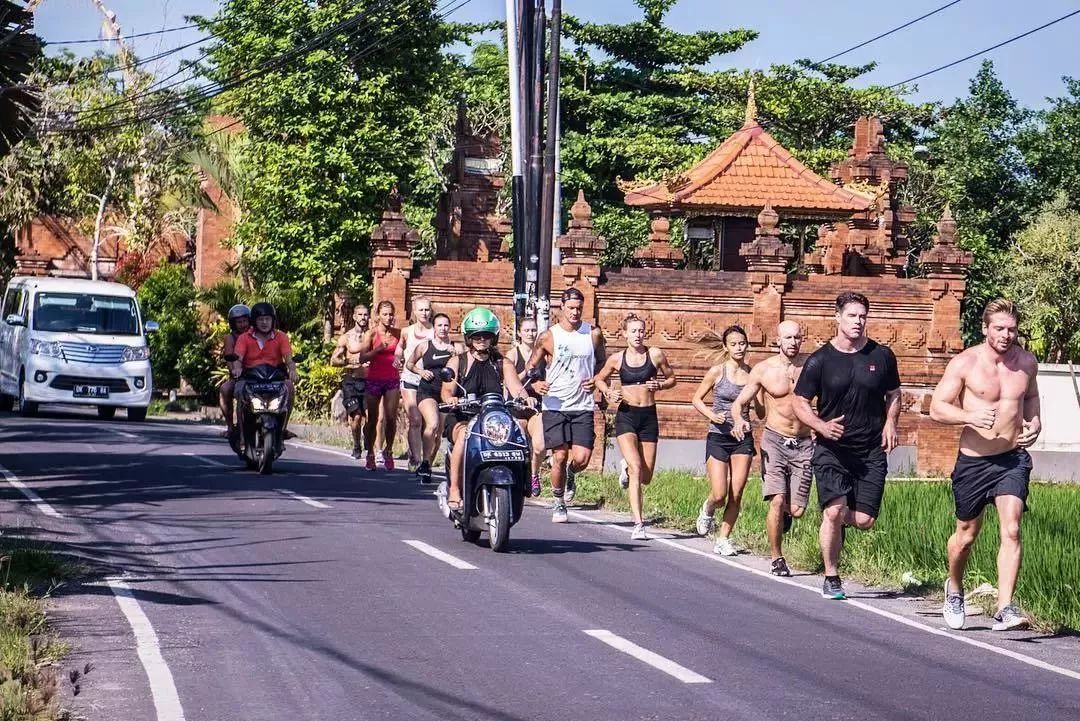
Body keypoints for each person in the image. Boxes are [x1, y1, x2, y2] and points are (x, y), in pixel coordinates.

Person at [930, 299, 1040, 631]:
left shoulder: (1026, 363)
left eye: (1012, 329)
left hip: (1011, 460)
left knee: (1012, 528)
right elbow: (936, 407)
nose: (1006, 335)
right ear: (985, 329)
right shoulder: (965, 363)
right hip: (974, 463)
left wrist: (1035, 424)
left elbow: (1031, 397)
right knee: (966, 535)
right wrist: (969, 415)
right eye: (999, 329)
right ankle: (954, 586)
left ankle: (1005, 606)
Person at [793, 291, 901, 601]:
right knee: (834, 511)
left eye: (863, 316)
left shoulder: (881, 356)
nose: (858, 321)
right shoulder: (820, 360)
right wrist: (819, 425)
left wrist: (890, 422)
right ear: (837, 317)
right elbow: (800, 401)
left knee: (865, 520)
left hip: (869, 450)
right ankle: (831, 576)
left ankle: (833, 519)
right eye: (852, 315)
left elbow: (894, 393)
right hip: (832, 448)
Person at [730, 320, 812, 577]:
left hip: (804, 443)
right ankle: (777, 557)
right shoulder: (764, 370)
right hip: (774, 441)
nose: (793, 342)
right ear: (778, 340)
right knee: (776, 500)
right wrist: (739, 419)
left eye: (797, 337)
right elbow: (739, 402)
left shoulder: (812, 367)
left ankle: (786, 512)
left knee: (796, 510)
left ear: (802, 339)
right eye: (787, 338)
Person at [440, 308, 533, 511]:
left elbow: (516, 387)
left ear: (494, 337)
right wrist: (452, 399)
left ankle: (527, 482)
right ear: (468, 338)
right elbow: (446, 390)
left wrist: (526, 399)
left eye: (487, 336)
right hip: (464, 417)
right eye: (477, 336)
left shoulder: (502, 363)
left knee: (521, 434)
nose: (482, 340)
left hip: (493, 419)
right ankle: (455, 488)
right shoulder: (458, 362)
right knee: (464, 436)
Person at [593, 314, 676, 540]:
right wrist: (609, 392)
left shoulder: (655, 354)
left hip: (649, 415)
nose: (638, 335)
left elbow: (672, 379)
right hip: (626, 415)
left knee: (646, 476)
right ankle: (639, 523)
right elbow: (599, 379)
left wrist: (660, 384)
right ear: (625, 334)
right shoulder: (617, 359)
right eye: (633, 331)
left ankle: (626, 468)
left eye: (641, 331)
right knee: (637, 467)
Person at [527, 287, 606, 523]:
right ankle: (559, 502)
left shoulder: (593, 334)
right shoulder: (548, 336)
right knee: (559, 455)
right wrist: (537, 384)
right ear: (561, 307)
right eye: (571, 308)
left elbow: (603, 362)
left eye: (579, 308)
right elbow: (531, 367)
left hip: (582, 405)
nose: (575, 312)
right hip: (555, 404)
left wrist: (597, 379)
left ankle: (571, 474)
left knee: (581, 458)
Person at [692, 326, 760, 556]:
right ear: (726, 347)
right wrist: (712, 415)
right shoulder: (717, 372)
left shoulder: (753, 375)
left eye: (742, 343)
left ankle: (723, 538)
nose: (739, 348)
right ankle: (708, 508)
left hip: (743, 439)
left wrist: (758, 403)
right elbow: (696, 399)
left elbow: (760, 410)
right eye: (734, 344)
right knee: (719, 494)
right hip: (719, 436)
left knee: (737, 492)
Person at [229, 302, 299, 436]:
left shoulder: (281, 337)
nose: (264, 323)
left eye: (267, 319)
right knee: (240, 391)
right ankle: (240, 432)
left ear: (273, 320)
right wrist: (237, 369)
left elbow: (288, 359)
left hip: (275, 378)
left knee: (289, 387)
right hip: (250, 378)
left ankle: (283, 428)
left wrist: (293, 370)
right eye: (260, 319)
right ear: (254, 321)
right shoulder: (244, 338)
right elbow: (238, 358)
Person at [406, 312, 458, 484]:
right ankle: (425, 463)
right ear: (434, 328)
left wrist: (456, 355)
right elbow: (409, 364)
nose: (443, 329)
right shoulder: (425, 346)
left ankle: (427, 463)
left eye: (445, 325)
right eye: (439, 325)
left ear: (450, 327)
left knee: (439, 434)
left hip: (447, 394)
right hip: (427, 391)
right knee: (432, 424)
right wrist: (421, 371)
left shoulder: (457, 348)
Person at [358, 301, 402, 471]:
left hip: (391, 379)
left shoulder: (398, 334)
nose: (388, 317)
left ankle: (388, 451)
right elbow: (362, 358)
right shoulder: (371, 334)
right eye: (385, 314)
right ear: (378, 316)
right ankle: (370, 453)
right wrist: (377, 350)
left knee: (391, 417)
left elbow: (403, 351)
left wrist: (400, 359)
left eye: (391, 314)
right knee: (373, 419)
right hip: (374, 379)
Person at [506, 316, 546, 497]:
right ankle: (512, 476)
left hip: (536, 406)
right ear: (519, 333)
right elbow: (508, 381)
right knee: (516, 445)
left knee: (539, 445)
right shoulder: (513, 354)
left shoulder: (542, 353)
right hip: (516, 406)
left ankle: (534, 475)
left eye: (533, 330)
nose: (531, 333)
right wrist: (526, 372)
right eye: (527, 330)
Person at [397, 297, 435, 471]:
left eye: (427, 310)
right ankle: (416, 458)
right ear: (414, 311)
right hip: (410, 378)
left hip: (429, 382)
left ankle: (425, 459)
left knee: (430, 423)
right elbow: (400, 349)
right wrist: (397, 358)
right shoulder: (407, 331)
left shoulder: (436, 332)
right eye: (421, 310)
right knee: (415, 419)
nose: (424, 313)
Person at [330, 304, 371, 459]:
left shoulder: (373, 336)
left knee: (372, 417)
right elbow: (334, 360)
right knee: (356, 417)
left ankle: (369, 439)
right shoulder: (346, 338)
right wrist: (350, 360)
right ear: (354, 317)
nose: (363, 318)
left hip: (370, 381)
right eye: (360, 314)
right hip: (352, 381)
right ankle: (356, 445)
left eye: (366, 314)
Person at [219, 303, 251, 439]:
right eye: (239, 322)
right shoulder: (230, 338)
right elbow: (229, 358)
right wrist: (234, 372)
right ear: (233, 323)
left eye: (245, 321)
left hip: (259, 374)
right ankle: (231, 426)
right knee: (225, 390)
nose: (243, 324)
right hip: (239, 375)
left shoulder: (255, 334)